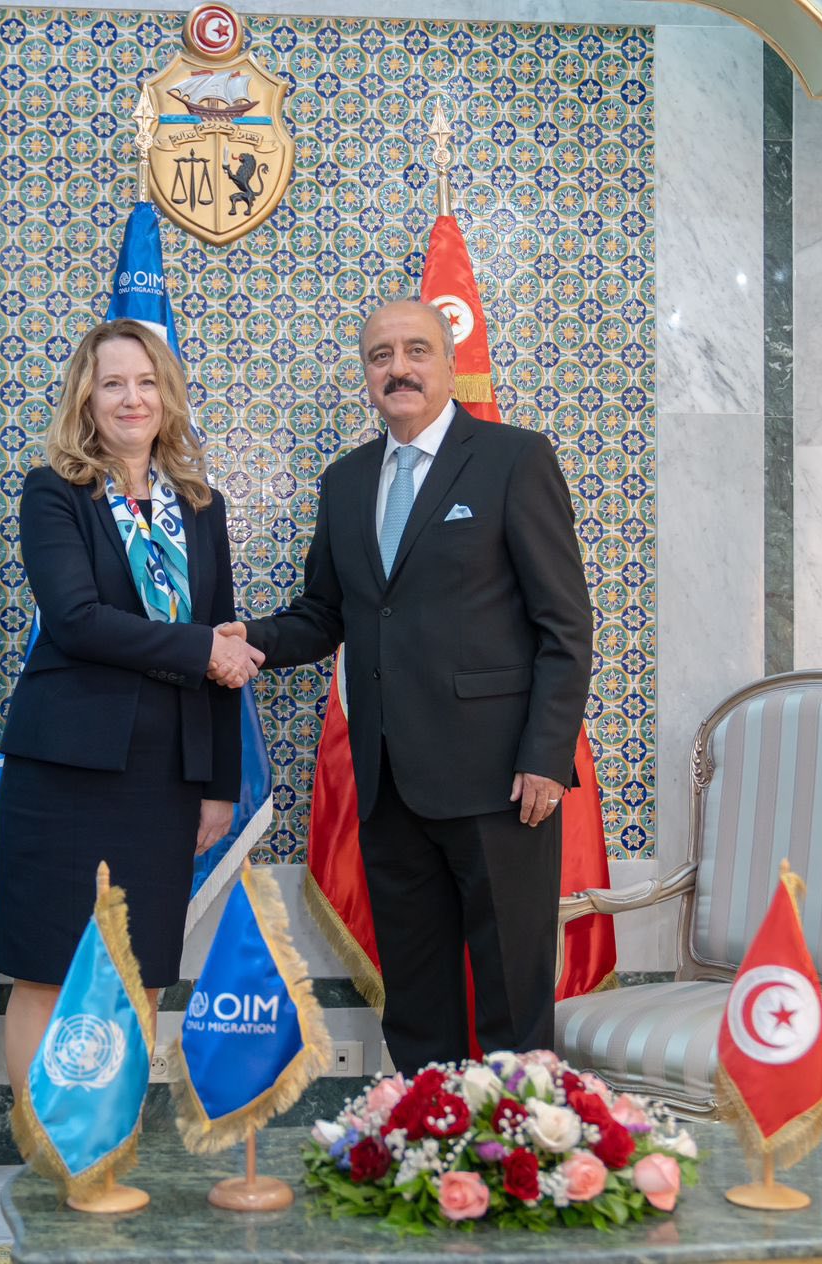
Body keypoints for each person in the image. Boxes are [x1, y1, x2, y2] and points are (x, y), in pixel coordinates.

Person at [220, 299, 593, 1070]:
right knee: (418, 1003)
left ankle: (517, 1140)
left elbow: (564, 625)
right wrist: (248, 639)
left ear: (450, 364)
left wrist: (546, 758)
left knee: (511, 996)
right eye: (380, 355)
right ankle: (429, 1137)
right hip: (389, 784)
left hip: (502, 784)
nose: (399, 369)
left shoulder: (514, 459)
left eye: (416, 350)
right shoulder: (346, 481)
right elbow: (325, 614)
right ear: (366, 374)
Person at [0, 318, 264, 1093]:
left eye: (146, 383)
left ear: (166, 397)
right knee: (49, 971)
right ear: (87, 398)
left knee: (138, 973)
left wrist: (217, 783)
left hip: (165, 779)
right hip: (66, 773)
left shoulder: (200, 506)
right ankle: (44, 1148)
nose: (131, 398)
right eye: (113, 383)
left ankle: (111, 1141)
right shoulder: (54, 492)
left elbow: (222, 644)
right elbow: (77, 620)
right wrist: (200, 648)